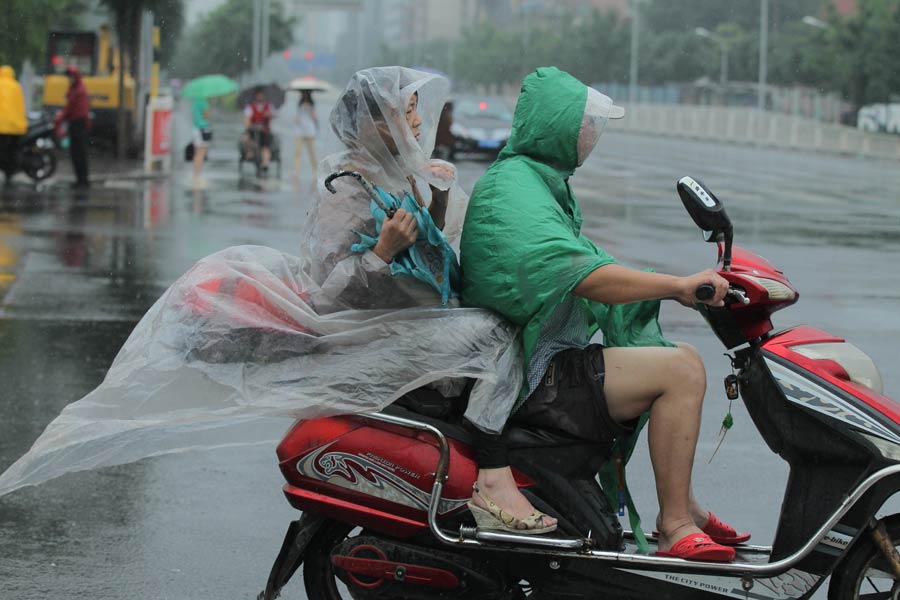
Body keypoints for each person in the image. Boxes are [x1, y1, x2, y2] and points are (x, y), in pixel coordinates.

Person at [460, 67, 748, 561]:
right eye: (585, 126)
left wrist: (674, 284)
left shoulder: (541, 183)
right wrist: (678, 287)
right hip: (524, 374)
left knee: (679, 355)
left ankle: (683, 506)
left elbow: (589, 260)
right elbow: (585, 274)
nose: (592, 136)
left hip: (536, 356)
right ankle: (676, 523)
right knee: (680, 370)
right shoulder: (514, 189)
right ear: (557, 128)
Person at [299, 66, 555, 532]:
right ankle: (492, 472)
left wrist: (434, 201)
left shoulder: (394, 175)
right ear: (373, 124)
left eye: (416, 110)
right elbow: (329, 295)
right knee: (497, 334)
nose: (417, 122)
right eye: (406, 112)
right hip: (372, 342)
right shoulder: (346, 190)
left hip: (413, 323)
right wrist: (382, 251)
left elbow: (428, 252)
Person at [54, 66, 91, 189]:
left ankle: (82, 180)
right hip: (77, 123)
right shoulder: (76, 88)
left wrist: (60, 118)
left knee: (78, 153)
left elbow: (70, 108)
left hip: (78, 124)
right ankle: (81, 179)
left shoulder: (78, 90)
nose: (69, 79)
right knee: (77, 153)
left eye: (70, 76)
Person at [0, 65, 27, 186]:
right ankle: (10, 172)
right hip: (15, 126)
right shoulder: (16, 86)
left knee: (2, 150)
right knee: (12, 150)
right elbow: (20, 106)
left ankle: (4, 168)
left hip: (1, 126)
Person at [243, 87, 276, 174]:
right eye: (258, 95)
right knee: (246, 139)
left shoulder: (268, 105)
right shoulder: (250, 106)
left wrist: (268, 115)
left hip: (264, 130)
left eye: (261, 95)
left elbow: (273, 114)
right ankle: (250, 153)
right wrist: (249, 125)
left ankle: (265, 163)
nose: (260, 97)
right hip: (253, 130)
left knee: (266, 145)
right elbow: (246, 119)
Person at [292, 90, 318, 181]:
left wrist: (310, 111)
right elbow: (297, 117)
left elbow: (315, 117)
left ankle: (315, 171)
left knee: (312, 153)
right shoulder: (299, 105)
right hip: (299, 131)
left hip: (310, 131)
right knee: (297, 152)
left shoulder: (312, 105)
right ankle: (296, 171)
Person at [191, 96, 212, 189]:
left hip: (195, 129)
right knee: (201, 153)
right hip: (203, 129)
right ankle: (197, 176)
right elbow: (206, 116)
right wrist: (209, 111)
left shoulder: (195, 101)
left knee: (196, 153)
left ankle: (196, 174)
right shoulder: (204, 102)